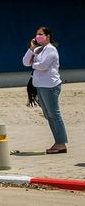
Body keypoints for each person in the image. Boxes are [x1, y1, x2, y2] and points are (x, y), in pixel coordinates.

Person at [22, 26, 67, 154]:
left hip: (50, 86)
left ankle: (61, 143)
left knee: (54, 114)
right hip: (40, 86)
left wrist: (33, 64)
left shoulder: (51, 49)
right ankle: (58, 142)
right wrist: (31, 49)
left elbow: (42, 66)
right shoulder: (37, 49)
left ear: (47, 36)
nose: (37, 36)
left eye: (40, 34)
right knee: (48, 115)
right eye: (36, 34)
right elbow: (25, 62)